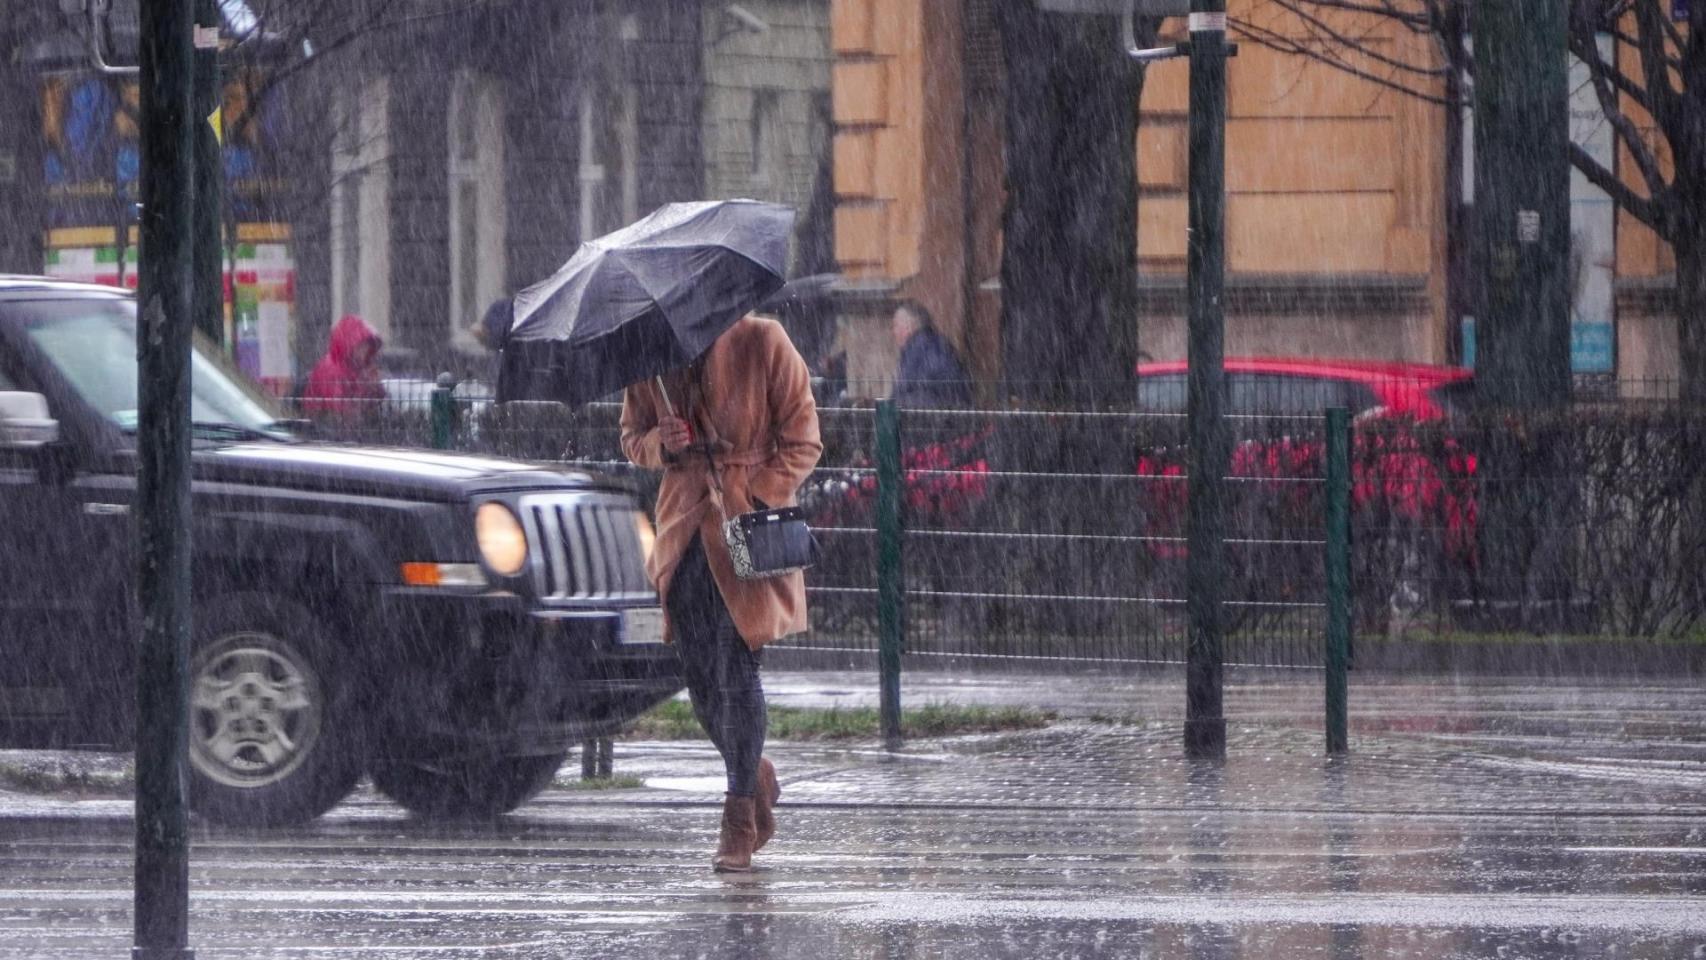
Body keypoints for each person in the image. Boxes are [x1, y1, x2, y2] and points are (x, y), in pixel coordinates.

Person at [620, 313, 823, 873]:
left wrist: (755, 492)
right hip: (682, 532)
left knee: (736, 669)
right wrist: (661, 442)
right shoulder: (650, 358)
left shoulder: (764, 339)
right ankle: (754, 771)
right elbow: (631, 438)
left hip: (746, 534)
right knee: (701, 680)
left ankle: (738, 815)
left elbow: (804, 439)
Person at [300, 314, 385, 419]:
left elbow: (375, 404)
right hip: (325, 429)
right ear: (350, 345)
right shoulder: (332, 370)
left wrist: (375, 387)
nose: (365, 350)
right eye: (361, 346)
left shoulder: (358, 368)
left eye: (367, 346)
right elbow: (342, 412)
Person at [890, 299, 972, 407]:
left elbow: (906, 390)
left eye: (895, 325)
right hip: (951, 413)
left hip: (935, 417)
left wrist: (890, 407)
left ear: (908, 327)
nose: (893, 332)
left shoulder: (917, 350)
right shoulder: (933, 344)